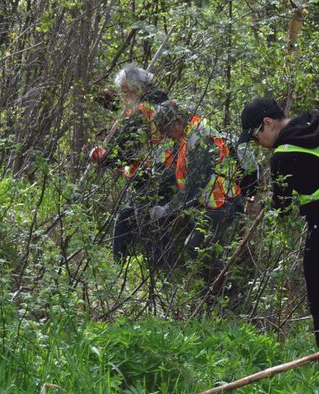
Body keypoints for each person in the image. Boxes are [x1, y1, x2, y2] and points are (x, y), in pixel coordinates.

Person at [237, 96, 319, 348]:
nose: (257, 143)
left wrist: (263, 207)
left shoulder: (282, 156)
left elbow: (282, 209)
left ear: (268, 123)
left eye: (255, 136)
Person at [152, 100, 259, 291]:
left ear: (177, 122)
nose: (164, 134)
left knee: (195, 247)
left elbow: (195, 184)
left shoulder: (200, 138)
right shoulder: (189, 136)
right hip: (212, 202)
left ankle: (230, 293)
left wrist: (167, 209)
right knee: (202, 249)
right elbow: (184, 170)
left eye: (165, 129)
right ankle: (218, 293)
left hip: (224, 201)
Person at [88, 64, 171, 261]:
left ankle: (160, 274)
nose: (123, 98)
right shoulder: (159, 105)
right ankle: (120, 265)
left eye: (124, 92)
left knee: (150, 228)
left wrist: (102, 158)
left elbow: (125, 150)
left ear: (136, 90)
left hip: (151, 175)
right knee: (127, 220)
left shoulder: (142, 111)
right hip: (162, 173)